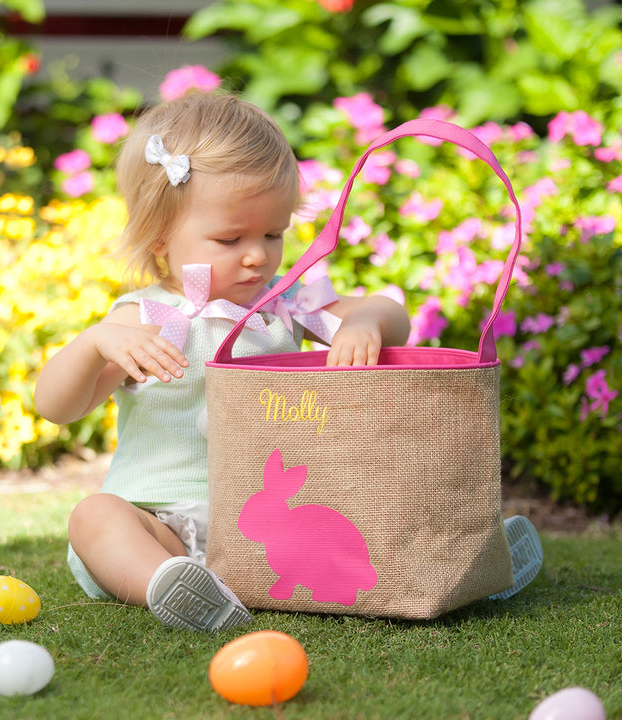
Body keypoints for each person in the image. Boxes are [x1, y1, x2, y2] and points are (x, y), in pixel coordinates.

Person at [34, 92, 540, 632]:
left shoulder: (283, 305)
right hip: (165, 527)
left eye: (273, 234)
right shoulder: (144, 321)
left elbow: (392, 315)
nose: (258, 254)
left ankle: (472, 563)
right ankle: (175, 586)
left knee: (358, 507)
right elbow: (56, 406)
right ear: (160, 237)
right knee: (95, 518)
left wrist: (366, 323)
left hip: (277, 531)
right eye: (231, 238)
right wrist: (94, 344)